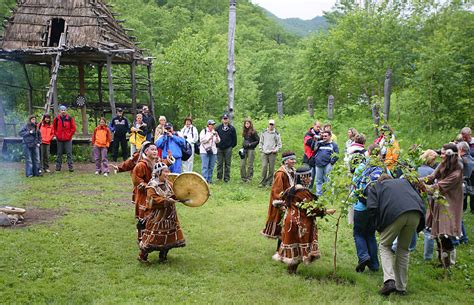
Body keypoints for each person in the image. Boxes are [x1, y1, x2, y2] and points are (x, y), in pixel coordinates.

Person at [367, 175, 425, 296]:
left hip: (395, 213)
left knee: (384, 245)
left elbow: (372, 208)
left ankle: (389, 281)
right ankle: (401, 288)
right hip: (415, 213)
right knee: (403, 249)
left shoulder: (376, 186)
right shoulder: (405, 182)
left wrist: (378, 227)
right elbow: (419, 198)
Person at [272, 165, 336, 274]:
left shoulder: (292, 188)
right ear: (303, 177)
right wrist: (325, 211)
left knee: (294, 247)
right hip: (299, 223)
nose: (311, 179)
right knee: (297, 247)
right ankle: (291, 272)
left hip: (290, 221)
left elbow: (280, 200)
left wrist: (285, 207)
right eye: (309, 176)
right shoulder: (302, 191)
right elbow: (312, 208)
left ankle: (291, 271)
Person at [424, 143, 463, 267]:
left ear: (450, 155)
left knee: (444, 233)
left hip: (449, 203)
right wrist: (416, 180)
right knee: (437, 233)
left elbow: (438, 187)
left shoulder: (456, 173)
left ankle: (449, 263)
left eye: (443, 153)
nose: (441, 156)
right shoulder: (443, 164)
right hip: (439, 201)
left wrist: (422, 186)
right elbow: (432, 177)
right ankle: (442, 260)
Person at [138, 161, 186, 263]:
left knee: (169, 236)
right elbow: (153, 200)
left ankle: (163, 255)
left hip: (170, 216)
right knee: (152, 236)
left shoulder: (168, 184)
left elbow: (175, 193)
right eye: (165, 171)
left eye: (167, 171)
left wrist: (187, 196)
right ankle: (142, 256)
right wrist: (167, 201)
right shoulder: (152, 186)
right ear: (158, 172)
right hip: (157, 216)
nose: (167, 173)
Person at [351, 144, 383, 273]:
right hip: (376, 208)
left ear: (368, 153)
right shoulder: (384, 168)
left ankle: (363, 256)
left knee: (358, 233)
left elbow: (354, 185)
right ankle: (374, 265)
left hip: (361, 206)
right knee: (370, 234)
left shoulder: (361, 167)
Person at [261, 151, 296, 254]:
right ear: (285, 161)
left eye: (294, 159)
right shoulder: (281, 173)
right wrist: (281, 205)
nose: (294, 161)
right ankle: (279, 250)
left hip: (290, 202)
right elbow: (276, 191)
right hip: (282, 204)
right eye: (291, 159)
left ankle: (283, 248)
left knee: (287, 226)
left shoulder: (292, 170)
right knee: (282, 226)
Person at [132, 143, 158, 243]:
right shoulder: (141, 165)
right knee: (143, 218)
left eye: (156, 149)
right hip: (144, 195)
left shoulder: (157, 162)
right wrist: (148, 187)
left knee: (154, 217)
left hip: (154, 195)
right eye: (152, 150)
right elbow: (136, 179)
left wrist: (168, 160)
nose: (155, 151)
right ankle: (141, 239)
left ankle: (151, 238)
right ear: (146, 152)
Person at [417, 149, 438, 260]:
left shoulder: (415, 169)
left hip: (415, 200)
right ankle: (428, 256)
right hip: (428, 201)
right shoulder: (432, 172)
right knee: (427, 229)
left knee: (413, 225)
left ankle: (402, 246)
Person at [313, 130, 339, 196]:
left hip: (328, 164)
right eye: (323, 136)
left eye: (326, 136)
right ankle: (319, 195)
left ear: (330, 136)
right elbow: (314, 150)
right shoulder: (319, 143)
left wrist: (331, 162)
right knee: (318, 180)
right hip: (318, 164)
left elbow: (336, 155)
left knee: (328, 180)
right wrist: (316, 141)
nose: (324, 137)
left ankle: (329, 195)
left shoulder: (333, 145)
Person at [259, 119, 282, 187]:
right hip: (264, 152)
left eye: (272, 124)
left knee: (271, 168)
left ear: (274, 125)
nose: (271, 126)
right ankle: (262, 182)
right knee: (264, 166)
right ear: (268, 124)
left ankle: (269, 182)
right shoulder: (264, 132)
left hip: (272, 153)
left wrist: (276, 149)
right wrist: (261, 149)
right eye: (270, 124)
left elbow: (279, 144)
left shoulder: (276, 134)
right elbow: (261, 142)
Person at [458, 141, 473, 243]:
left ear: (462, 150)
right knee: (459, 213)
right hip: (468, 187)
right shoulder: (471, 158)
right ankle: (463, 238)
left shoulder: (464, 160)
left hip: (462, 187)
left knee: (457, 214)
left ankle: (463, 238)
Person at [53, 105, 76, 172]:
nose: (63, 111)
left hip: (68, 139)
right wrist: (57, 135)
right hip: (59, 139)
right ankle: (58, 167)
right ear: (59, 111)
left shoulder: (69, 118)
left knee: (69, 153)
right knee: (59, 153)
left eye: (64, 110)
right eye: (62, 110)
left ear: (66, 111)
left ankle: (70, 167)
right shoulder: (56, 119)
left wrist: (69, 135)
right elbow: (54, 128)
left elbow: (73, 128)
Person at [216, 113, 237, 183]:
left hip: (228, 148)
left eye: (226, 119)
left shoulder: (232, 128)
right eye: (224, 119)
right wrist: (217, 145)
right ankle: (219, 177)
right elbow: (215, 138)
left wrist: (230, 146)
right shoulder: (218, 128)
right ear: (222, 120)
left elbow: (235, 140)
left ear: (228, 120)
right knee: (219, 163)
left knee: (227, 164)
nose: (225, 120)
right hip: (219, 148)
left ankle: (226, 178)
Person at [303, 121, 322, 188]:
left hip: (315, 158)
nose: (318, 128)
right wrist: (318, 139)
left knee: (313, 176)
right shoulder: (308, 134)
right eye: (317, 127)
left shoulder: (321, 134)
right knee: (306, 175)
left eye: (320, 127)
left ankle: (309, 189)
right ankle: (304, 189)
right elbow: (311, 145)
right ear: (314, 126)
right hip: (308, 157)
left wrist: (320, 138)